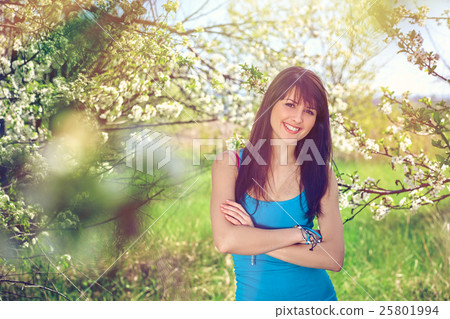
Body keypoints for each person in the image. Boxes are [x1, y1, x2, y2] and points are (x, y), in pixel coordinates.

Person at [210, 66, 344, 301]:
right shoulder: (230, 165)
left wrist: (252, 236)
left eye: (309, 111)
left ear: (316, 121)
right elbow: (226, 241)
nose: (298, 118)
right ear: (271, 103)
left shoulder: (321, 173)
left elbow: (333, 257)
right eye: (290, 105)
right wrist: (299, 235)